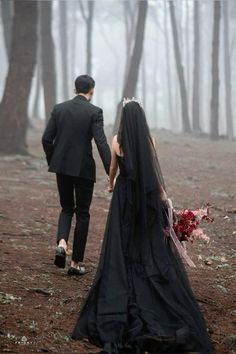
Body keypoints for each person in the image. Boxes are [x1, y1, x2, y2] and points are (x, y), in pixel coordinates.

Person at [71, 99, 213, 353]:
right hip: (146, 198)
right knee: (145, 242)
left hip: (124, 198)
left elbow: (113, 171)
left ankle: (124, 278)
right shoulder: (150, 140)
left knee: (122, 242)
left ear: (124, 118)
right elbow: (152, 172)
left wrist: (111, 184)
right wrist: (164, 200)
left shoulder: (116, 141)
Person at [42, 75, 111, 276]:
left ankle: (62, 243)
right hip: (83, 170)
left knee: (66, 208)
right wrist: (111, 172)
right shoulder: (94, 112)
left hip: (62, 167)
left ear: (75, 90)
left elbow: (46, 139)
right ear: (92, 90)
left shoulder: (59, 109)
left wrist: (54, 160)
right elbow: (101, 143)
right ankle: (75, 263)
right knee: (82, 213)